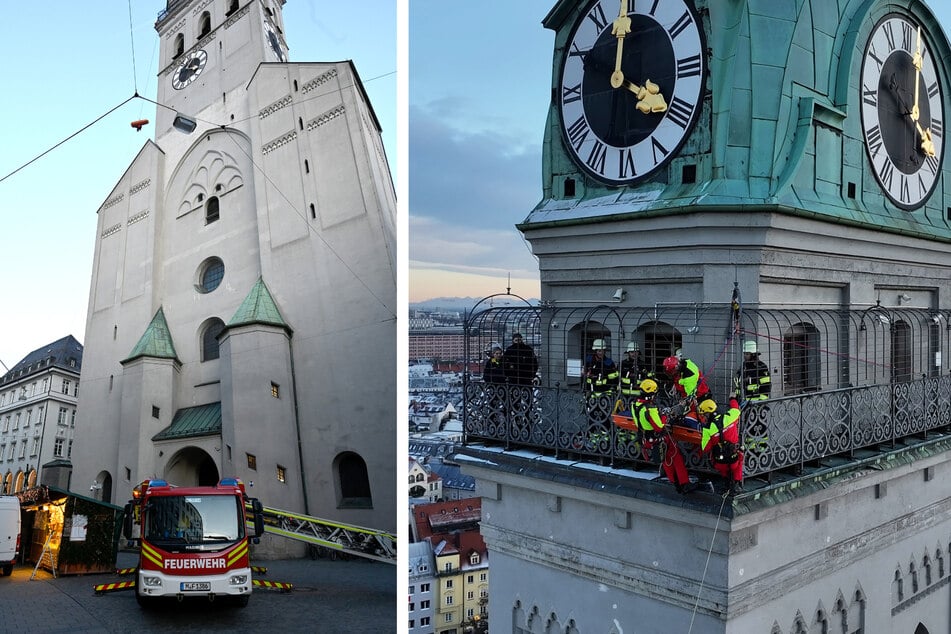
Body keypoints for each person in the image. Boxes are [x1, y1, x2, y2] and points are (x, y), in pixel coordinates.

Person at [632, 379, 691, 494]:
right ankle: (684, 483)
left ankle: (675, 483)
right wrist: (664, 415)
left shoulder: (635, 405)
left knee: (665, 460)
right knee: (676, 458)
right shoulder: (650, 409)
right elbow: (659, 426)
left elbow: (641, 421)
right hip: (660, 438)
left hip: (647, 438)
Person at [698, 396, 743, 494]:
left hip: (720, 462)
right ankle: (736, 483)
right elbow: (736, 409)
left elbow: (705, 448)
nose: (703, 418)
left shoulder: (707, 429)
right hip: (733, 458)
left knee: (721, 466)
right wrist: (732, 399)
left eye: (703, 415)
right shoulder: (730, 417)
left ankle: (726, 483)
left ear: (708, 414)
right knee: (740, 457)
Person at [662, 354, 710, 429]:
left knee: (690, 416)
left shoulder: (688, 379)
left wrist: (685, 402)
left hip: (699, 396)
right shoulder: (684, 363)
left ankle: (699, 428)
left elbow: (691, 398)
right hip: (694, 390)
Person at [619, 342, 646, 406]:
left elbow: (646, 378)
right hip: (624, 396)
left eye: (636, 352)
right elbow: (618, 377)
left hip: (639, 396)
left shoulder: (643, 364)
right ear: (628, 353)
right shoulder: (623, 364)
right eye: (632, 352)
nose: (634, 354)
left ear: (638, 353)